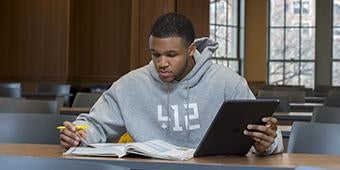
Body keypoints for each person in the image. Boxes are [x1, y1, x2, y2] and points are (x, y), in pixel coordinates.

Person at [60, 12, 283, 155]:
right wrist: (80, 134)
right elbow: (93, 125)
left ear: (191, 50)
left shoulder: (229, 84)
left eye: (171, 55)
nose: (162, 63)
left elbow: (268, 135)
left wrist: (267, 144)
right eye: (155, 54)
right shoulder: (129, 85)